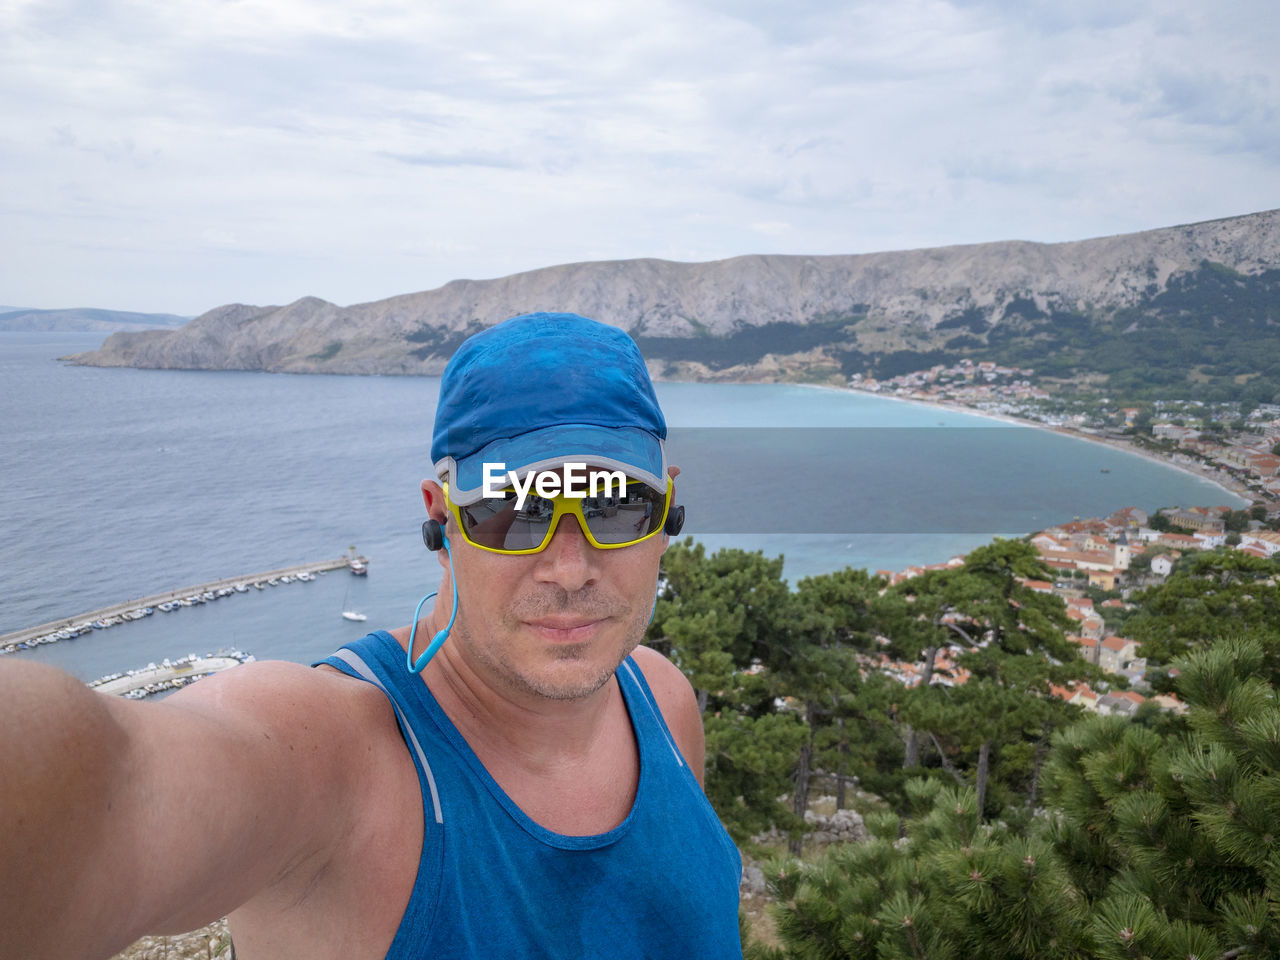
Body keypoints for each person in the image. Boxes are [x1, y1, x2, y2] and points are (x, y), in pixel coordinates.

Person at [0, 312, 743, 960]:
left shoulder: (664, 700)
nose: (571, 568)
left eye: (615, 507)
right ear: (440, 516)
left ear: (668, 509)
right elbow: (117, 785)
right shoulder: (338, 759)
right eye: (514, 511)